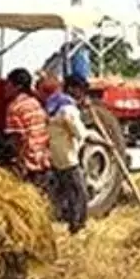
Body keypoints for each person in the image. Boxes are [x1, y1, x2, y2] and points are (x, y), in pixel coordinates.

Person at [46, 73, 92, 234]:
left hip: (56, 153)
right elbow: (80, 132)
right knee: (79, 192)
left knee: (65, 191)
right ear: (72, 88)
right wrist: (101, 141)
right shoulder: (68, 108)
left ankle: (67, 221)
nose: (82, 94)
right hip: (68, 156)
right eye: (80, 90)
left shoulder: (54, 102)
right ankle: (77, 225)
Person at [3, 68, 54, 194]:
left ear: (17, 87)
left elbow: (17, 139)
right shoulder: (35, 103)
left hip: (29, 164)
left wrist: (16, 162)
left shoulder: (14, 108)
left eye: (8, 84)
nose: (5, 88)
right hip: (44, 159)